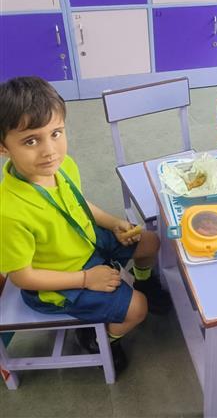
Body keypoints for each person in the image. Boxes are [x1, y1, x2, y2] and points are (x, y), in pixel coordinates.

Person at [0, 77, 170, 373]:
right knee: (138, 308)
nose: (49, 150)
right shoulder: (9, 213)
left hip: (86, 242)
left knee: (149, 241)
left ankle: (144, 279)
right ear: (4, 147)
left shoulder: (63, 165)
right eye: (31, 141)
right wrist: (85, 279)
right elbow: (23, 278)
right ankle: (98, 338)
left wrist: (113, 223)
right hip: (57, 281)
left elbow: (79, 203)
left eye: (56, 133)